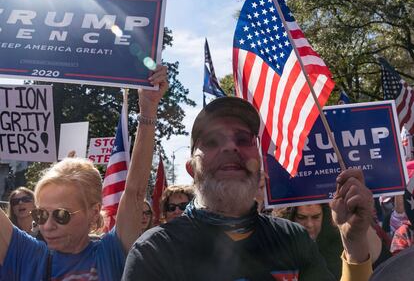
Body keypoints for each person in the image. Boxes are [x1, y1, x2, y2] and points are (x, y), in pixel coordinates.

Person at [122, 96, 374, 281]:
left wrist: (353, 244)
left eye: (243, 139)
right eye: (211, 141)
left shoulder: (293, 238)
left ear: (259, 164)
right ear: (191, 169)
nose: (231, 147)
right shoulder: (155, 250)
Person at [0, 65, 168, 281]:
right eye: (40, 214)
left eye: (61, 215)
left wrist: (148, 109)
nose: (47, 226)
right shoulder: (27, 255)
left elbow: (135, 191)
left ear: (93, 211)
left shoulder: (111, 251)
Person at [276, 204, 389, 279]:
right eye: (302, 217)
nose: (309, 224)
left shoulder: (340, 247)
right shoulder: (275, 245)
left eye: (316, 217)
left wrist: (356, 222)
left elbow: (382, 262)